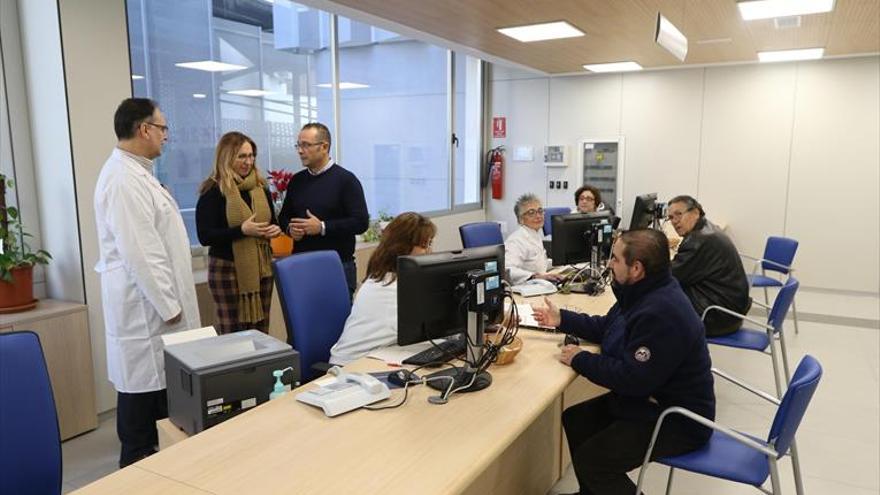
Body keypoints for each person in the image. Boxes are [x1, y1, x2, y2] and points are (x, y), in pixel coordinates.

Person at [532, 229, 715, 495]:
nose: (608, 264)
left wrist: (580, 358)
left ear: (637, 268)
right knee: (577, 419)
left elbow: (633, 380)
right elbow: (608, 327)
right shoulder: (643, 291)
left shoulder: (660, 311)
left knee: (594, 461)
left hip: (677, 419)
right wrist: (562, 319)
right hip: (652, 400)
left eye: (615, 259)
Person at [94, 98, 201, 468]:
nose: (165, 137)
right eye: (163, 128)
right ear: (144, 129)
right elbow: (142, 253)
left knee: (163, 413)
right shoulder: (123, 179)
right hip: (149, 318)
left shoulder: (138, 173)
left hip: (157, 317)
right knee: (141, 423)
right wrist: (171, 308)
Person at [196, 132, 281, 334]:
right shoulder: (214, 189)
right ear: (226, 156)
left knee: (261, 329)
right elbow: (205, 236)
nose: (248, 161)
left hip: (262, 267)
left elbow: (273, 222)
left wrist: (275, 229)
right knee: (232, 331)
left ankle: (260, 366)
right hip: (227, 269)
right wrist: (241, 230)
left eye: (251, 156)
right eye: (241, 156)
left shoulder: (260, 187)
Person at [329, 212, 436, 365]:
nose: (429, 252)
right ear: (402, 248)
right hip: (350, 367)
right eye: (424, 246)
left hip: (378, 355)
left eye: (430, 244)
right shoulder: (390, 289)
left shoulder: (386, 277)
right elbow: (428, 328)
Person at [278, 123, 369, 296]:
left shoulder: (346, 180)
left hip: (336, 266)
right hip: (301, 266)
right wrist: (290, 229)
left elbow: (360, 222)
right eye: (298, 145)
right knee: (302, 321)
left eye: (306, 145)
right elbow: (283, 217)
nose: (300, 150)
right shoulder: (296, 181)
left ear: (324, 147)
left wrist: (322, 227)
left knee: (337, 322)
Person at [667, 195, 751, 336]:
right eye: (670, 218)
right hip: (731, 308)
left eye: (679, 215)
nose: (675, 221)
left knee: (657, 301)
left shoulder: (699, 240)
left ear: (695, 213)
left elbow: (670, 276)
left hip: (718, 316)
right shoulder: (708, 229)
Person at [505, 193, 563, 285]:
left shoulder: (534, 235)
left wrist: (561, 262)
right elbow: (508, 269)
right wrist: (535, 276)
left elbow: (537, 263)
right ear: (520, 219)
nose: (538, 216)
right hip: (524, 289)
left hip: (539, 284)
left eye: (540, 211)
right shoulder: (516, 241)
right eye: (531, 213)